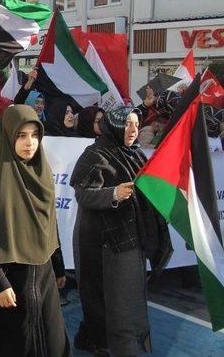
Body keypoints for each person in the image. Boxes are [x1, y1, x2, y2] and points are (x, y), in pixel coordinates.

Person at [70, 107, 172, 357]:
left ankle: (100, 339)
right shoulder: (95, 153)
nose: (133, 130)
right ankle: (111, 343)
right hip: (102, 240)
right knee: (105, 296)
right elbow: (82, 194)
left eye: (136, 124)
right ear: (113, 126)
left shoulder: (136, 154)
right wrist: (113, 194)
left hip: (132, 234)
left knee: (123, 297)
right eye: (127, 124)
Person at [0, 104, 70, 357]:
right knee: (13, 346)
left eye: (35, 135)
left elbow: (49, 222)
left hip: (42, 276)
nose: (30, 143)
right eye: (21, 135)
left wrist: (58, 266)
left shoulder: (41, 171)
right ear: (7, 135)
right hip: (8, 279)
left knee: (52, 344)